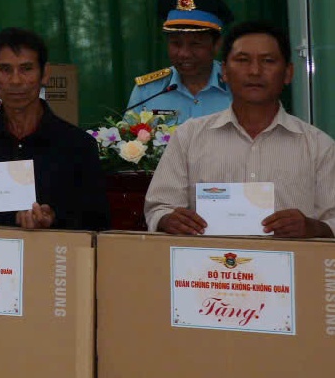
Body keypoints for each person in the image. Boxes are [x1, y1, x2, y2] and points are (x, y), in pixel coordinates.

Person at [144, 21, 335, 239]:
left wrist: (314, 228)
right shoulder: (189, 136)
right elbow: (159, 208)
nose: (255, 71)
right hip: (208, 261)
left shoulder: (318, 146)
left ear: (288, 73)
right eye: (243, 60)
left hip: (295, 260)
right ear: (224, 71)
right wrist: (168, 220)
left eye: (268, 61)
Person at [0, 27, 108, 231]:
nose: (15, 80)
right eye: (5, 70)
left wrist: (53, 220)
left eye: (26, 69)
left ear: (45, 74)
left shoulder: (78, 145)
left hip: (54, 252)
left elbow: (98, 224)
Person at [126, 0, 233, 124]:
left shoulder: (236, 86)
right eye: (176, 43)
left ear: (217, 44)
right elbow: (129, 136)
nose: (184, 54)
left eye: (195, 44)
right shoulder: (148, 91)